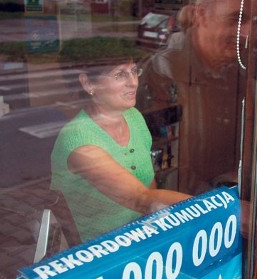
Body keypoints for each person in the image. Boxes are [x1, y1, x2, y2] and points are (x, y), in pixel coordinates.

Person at [138, 0, 257, 196]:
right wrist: (232, 210)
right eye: (237, 19)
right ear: (201, 15)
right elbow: (161, 173)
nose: (249, 33)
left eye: (254, 20)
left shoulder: (243, 68)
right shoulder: (163, 74)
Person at [51, 60, 190, 242]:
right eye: (119, 75)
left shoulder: (133, 117)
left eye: (134, 71)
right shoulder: (78, 141)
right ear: (88, 83)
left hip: (140, 234)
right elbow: (142, 199)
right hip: (101, 250)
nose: (133, 82)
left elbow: (148, 184)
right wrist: (219, 209)